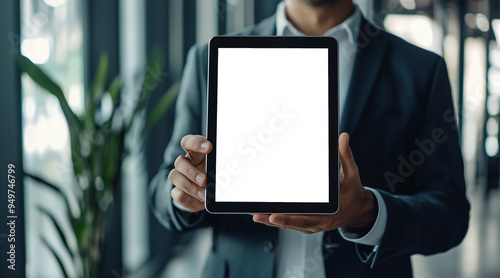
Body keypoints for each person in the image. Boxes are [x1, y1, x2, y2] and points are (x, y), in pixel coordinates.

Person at [149, 0, 470, 277]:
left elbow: (450, 213)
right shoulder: (209, 59)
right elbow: (164, 186)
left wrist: (367, 214)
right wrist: (185, 194)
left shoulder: (420, 71)